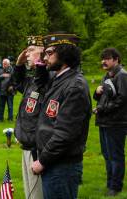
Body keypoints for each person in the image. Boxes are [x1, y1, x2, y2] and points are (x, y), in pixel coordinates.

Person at [31, 34, 92, 199]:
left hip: (62, 166)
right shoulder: (59, 79)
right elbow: (40, 84)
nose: (45, 57)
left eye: (49, 53)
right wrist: (40, 66)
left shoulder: (74, 86)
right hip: (54, 162)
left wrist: (42, 161)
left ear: (64, 54)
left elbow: (65, 133)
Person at [14, 36, 47, 199]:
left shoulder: (47, 78)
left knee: (37, 194)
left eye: (32, 50)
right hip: (27, 145)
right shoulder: (33, 80)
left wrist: (41, 63)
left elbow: (43, 80)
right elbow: (18, 82)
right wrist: (19, 64)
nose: (27, 54)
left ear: (44, 54)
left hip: (39, 149)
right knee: (30, 193)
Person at [93, 48, 127, 196]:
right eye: (102, 58)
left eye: (107, 58)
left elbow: (122, 99)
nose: (103, 61)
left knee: (115, 155)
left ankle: (116, 187)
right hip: (104, 122)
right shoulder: (106, 76)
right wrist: (97, 92)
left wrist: (102, 109)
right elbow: (101, 98)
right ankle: (110, 184)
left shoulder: (122, 76)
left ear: (116, 59)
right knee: (107, 155)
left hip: (117, 123)